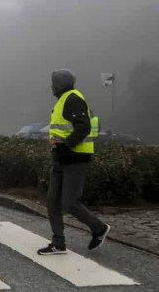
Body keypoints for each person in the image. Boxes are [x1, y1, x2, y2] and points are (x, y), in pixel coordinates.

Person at [37, 69, 110, 255]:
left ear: (60, 83)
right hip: (62, 158)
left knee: (69, 203)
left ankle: (99, 228)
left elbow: (83, 127)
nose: (51, 87)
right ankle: (58, 243)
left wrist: (66, 146)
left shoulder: (73, 99)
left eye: (53, 83)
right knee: (52, 201)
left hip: (75, 158)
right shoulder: (64, 99)